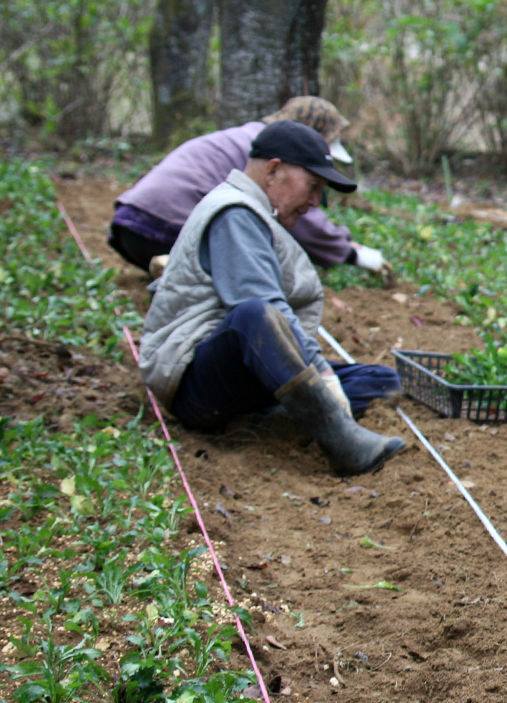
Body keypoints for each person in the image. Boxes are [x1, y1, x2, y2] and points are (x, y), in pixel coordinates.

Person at [138, 120, 405, 477]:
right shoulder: (235, 213)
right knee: (255, 314)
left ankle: (264, 421)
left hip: (238, 374)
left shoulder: (254, 212)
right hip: (193, 383)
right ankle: (341, 440)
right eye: (313, 187)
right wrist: (322, 376)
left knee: (380, 380)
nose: (315, 202)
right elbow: (264, 310)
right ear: (274, 170)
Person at [110, 96, 387, 276]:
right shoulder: (270, 154)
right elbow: (303, 220)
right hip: (165, 230)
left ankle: (176, 270)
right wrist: (354, 254)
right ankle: (181, 268)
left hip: (129, 225)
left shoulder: (245, 136)